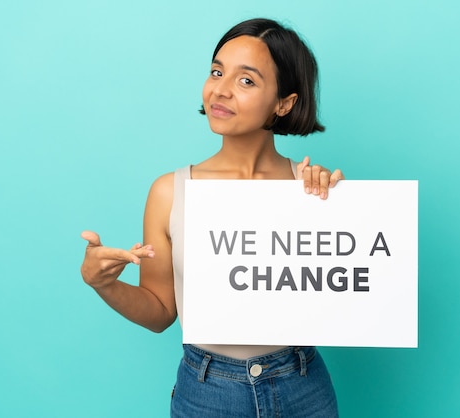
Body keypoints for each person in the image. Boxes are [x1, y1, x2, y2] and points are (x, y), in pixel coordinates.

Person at [80, 18, 343, 417]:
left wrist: (334, 205)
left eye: (246, 81)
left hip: (302, 385)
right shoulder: (170, 192)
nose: (220, 89)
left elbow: (342, 290)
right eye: (217, 71)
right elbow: (159, 312)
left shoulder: (307, 188)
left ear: (284, 103)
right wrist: (103, 284)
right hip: (208, 392)